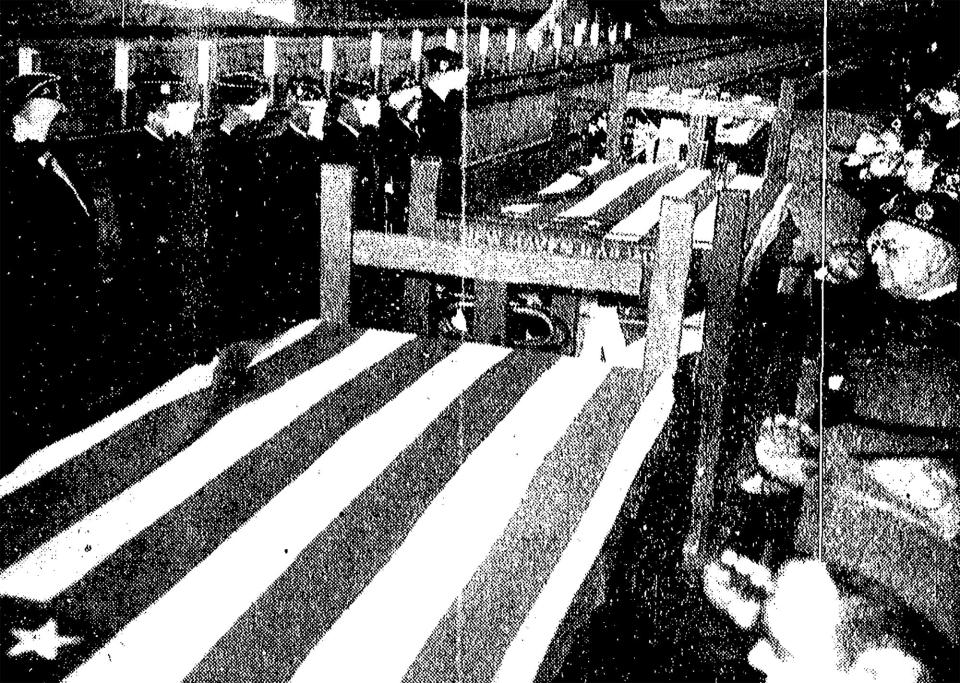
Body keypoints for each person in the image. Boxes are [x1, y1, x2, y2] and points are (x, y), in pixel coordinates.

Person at [1, 73, 106, 471]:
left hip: (63, 283)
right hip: (29, 285)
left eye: (54, 109)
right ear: (19, 112)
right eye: (43, 108)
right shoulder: (10, 162)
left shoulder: (54, 153)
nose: (52, 114)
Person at [703, 553, 958, 682]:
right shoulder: (778, 667)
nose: (743, 580)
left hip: (900, 652)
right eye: (731, 588)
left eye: (738, 566)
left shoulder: (801, 572)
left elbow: (882, 599)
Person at [108, 68, 204, 396]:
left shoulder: (174, 147)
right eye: (176, 111)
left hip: (174, 258)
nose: (184, 118)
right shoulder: (135, 152)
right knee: (153, 339)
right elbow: (146, 213)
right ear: (155, 113)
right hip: (150, 261)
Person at [202, 71, 275, 389]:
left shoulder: (237, 143)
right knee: (235, 314)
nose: (266, 105)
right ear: (244, 105)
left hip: (244, 242)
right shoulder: (226, 148)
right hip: (234, 246)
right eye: (260, 99)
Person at [260, 75, 331, 331]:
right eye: (310, 108)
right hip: (292, 231)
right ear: (294, 106)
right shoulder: (281, 146)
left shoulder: (324, 141)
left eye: (320, 109)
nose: (315, 115)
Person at [418, 46, 467, 216]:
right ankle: (446, 206)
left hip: (437, 137)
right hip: (444, 138)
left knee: (442, 172)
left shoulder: (432, 88)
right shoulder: (446, 89)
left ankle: (441, 205)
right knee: (447, 172)